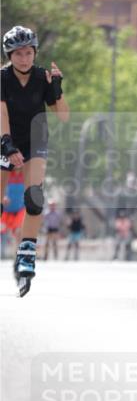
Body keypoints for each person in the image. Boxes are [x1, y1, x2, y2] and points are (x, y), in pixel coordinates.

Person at [0, 25, 69, 296]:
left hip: (35, 140)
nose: (24, 59)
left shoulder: (42, 77)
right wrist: (6, 144)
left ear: (35, 53)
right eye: (18, 54)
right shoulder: (2, 77)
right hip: (5, 139)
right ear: (9, 55)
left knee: (34, 199)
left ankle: (26, 254)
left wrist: (57, 90)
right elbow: (2, 114)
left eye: (28, 53)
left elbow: (63, 116)